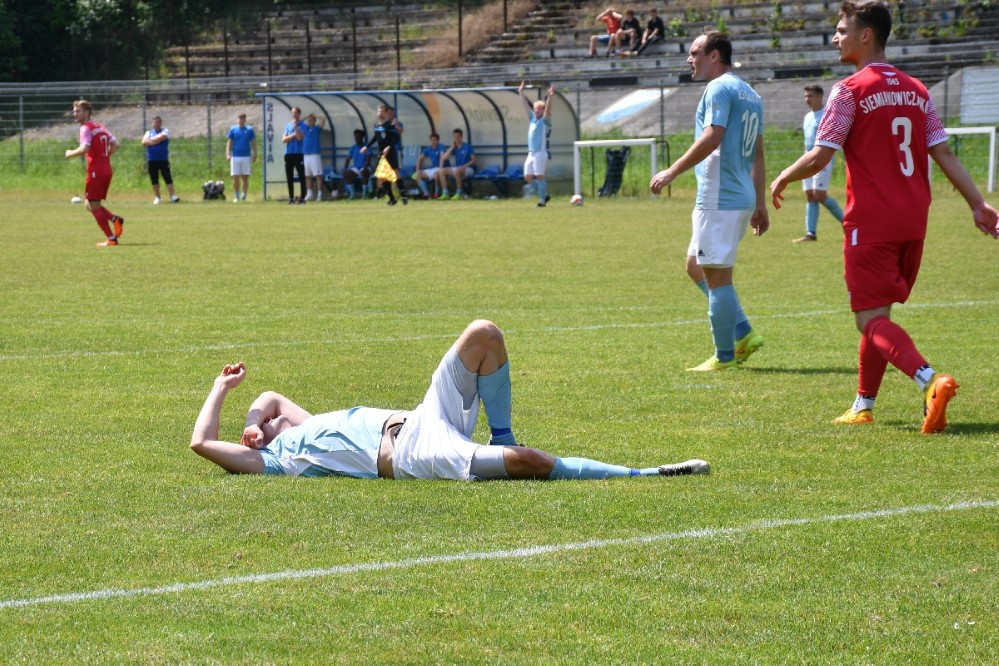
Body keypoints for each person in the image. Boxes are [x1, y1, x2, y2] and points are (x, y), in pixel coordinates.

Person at [769, 0, 999, 433]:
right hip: (914, 218)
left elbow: (822, 154)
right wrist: (977, 203)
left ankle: (930, 381)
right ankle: (863, 403)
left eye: (841, 29)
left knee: (868, 319)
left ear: (866, 35)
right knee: (878, 316)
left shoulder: (849, 89)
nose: (836, 37)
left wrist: (783, 176)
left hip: (872, 220)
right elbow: (943, 151)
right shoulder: (917, 88)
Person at [190, 320, 710, 481]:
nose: (262, 427)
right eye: (261, 431)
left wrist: (256, 414)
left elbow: (271, 395)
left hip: (420, 417)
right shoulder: (277, 460)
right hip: (414, 455)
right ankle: (644, 474)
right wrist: (220, 390)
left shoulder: (300, 423)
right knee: (527, 464)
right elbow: (201, 442)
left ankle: (503, 433)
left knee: (484, 334)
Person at [649, 31, 768, 372]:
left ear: (715, 55)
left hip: (719, 197)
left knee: (718, 278)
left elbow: (712, 135)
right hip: (739, 195)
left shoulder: (718, 87)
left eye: (695, 52)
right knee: (695, 266)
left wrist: (672, 171)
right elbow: (757, 154)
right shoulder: (751, 93)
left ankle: (725, 356)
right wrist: (758, 202)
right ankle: (744, 332)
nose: (690, 59)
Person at [64, 99, 124, 247]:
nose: (74, 114)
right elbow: (116, 145)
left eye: (78, 111)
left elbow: (84, 148)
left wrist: (70, 153)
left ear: (87, 112)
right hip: (106, 169)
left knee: (93, 205)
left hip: (96, 171)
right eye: (74, 111)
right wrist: (104, 157)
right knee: (89, 204)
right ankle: (114, 219)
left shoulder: (86, 128)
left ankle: (111, 238)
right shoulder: (101, 127)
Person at [792, 85, 845, 243]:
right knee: (810, 195)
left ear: (820, 96)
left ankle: (847, 224)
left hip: (822, 159)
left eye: (810, 96)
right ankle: (810, 233)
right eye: (806, 96)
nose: (807, 99)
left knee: (819, 195)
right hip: (807, 158)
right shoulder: (808, 117)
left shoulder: (827, 115)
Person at [361, 104, 406, 205]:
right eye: (378, 111)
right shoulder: (377, 126)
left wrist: (389, 147)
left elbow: (396, 138)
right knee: (382, 176)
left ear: (385, 113)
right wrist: (366, 147)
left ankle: (404, 196)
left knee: (396, 173)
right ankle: (392, 198)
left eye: (382, 111)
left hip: (391, 153)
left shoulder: (390, 125)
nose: (380, 112)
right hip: (381, 154)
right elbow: (375, 138)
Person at [519, 81, 555, 208]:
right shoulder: (532, 118)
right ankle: (544, 194)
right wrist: (521, 92)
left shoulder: (545, 120)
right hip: (531, 152)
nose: (537, 110)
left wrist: (550, 97)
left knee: (539, 176)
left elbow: (549, 110)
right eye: (535, 108)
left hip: (540, 152)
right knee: (528, 177)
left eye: (539, 108)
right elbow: (525, 106)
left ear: (543, 110)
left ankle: (542, 201)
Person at [141, 116, 180, 205]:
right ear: (152, 123)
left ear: (161, 123)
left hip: (163, 159)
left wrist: (151, 141)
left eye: (158, 122)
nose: (156, 124)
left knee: (167, 178)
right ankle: (157, 197)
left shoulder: (165, 131)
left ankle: (173, 196)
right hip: (152, 160)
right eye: (155, 122)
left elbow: (162, 137)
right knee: (154, 179)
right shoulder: (148, 132)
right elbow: (144, 142)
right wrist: (155, 141)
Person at [225, 113, 257, 203]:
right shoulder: (233, 129)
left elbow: (253, 142)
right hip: (235, 157)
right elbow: (229, 142)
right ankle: (236, 195)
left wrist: (255, 153)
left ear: (245, 120)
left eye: (242, 119)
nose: (241, 120)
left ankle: (244, 196)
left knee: (245, 177)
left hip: (246, 157)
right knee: (235, 177)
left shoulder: (249, 130)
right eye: (239, 119)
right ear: (237, 120)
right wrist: (227, 153)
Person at [437, 128, 476, 200]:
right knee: (441, 171)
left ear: (461, 137)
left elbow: (474, 160)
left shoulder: (468, 147)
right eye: (455, 136)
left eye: (458, 136)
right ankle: (445, 193)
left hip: (469, 168)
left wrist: (465, 166)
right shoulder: (455, 147)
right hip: (458, 168)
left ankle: (459, 193)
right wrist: (452, 147)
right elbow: (444, 157)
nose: (456, 138)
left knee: (457, 170)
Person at [282, 106, 307, 204]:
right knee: (289, 177)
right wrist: (293, 135)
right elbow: (283, 139)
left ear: (299, 114)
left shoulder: (303, 125)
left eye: (296, 113)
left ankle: (302, 198)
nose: (294, 114)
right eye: (292, 113)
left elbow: (300, 137)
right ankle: (291, 198)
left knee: (301, 176)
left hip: (298, 154)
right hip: (288, 154)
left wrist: (296, 127)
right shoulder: (288, 126)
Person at [302, 113, 326, 202]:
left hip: (315, 155)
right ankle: (309, 194)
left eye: (311, 119)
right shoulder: (305, 129)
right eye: (308, 120)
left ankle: (320, 194)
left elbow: (323, 119)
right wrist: (306, 116)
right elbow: (299, 122)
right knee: (307, 175)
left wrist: (315, 115)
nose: (309, 121)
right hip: (306, 155)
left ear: (314, 120)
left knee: (318, 175)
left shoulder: (316, 129)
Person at [415, 132, 446, 199]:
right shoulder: (428, 149)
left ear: (438, 140)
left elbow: (442, 157)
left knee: (436, 175)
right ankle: (426, 194)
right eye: (431, 140)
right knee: (417, 174)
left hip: (442, 168)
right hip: (433, 169)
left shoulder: (441, 147)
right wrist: (418, 169)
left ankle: (436, 193)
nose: (433, 141)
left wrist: (440, 169)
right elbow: (419, 158)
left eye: (435, 140)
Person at [343, 129, 372, 200]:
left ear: (362, 137)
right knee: (346, 174)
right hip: (356, 168)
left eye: (358, 136)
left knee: (364, 173)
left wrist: (365, 167)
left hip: (365, 167)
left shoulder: (367, 147)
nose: (356, 138)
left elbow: (368, 160)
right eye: (355, 136)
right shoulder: (353, 148)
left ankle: (364, 195)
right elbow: (348, 159)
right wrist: (345, 168)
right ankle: (352, 195)